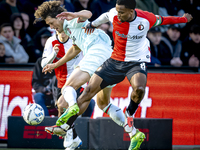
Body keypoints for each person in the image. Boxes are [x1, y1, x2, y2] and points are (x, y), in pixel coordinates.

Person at [46, 0, 193, 149]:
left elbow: (164, 20)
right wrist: (93, 24)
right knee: (94, 97)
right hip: (114, 62)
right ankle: (131, 133)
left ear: (131, 11)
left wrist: (183, 19)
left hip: (135, 61)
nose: (118, 14)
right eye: (117, 11)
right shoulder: (113, 14)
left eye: (121, 12)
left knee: (139, 90)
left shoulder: (146, 19)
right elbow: (103, 17)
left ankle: (129, 114)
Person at [34, 1, 119, 150]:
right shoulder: (68, 29)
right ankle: (72, 139)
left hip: (96, 56)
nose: (51, 27)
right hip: (103, 60)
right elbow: (76, 48)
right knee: (64, 104)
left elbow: (88, 14)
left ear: (59, 17)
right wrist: (55, 64)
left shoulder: (71, 20)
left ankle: (71, 129)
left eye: (51, 23)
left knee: (70, 99)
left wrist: (75, 14)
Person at [41, 30, 95, 149]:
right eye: (60, 30)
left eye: (65, 29)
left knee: (62, 104)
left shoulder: (76, 39)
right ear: (55, 29)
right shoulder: (51, 41)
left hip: (78, 78)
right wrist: (53, 55)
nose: (63, 32)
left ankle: (70, 138)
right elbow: (43, 63)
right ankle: (74, 137)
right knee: (61, 109)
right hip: (61, 82)